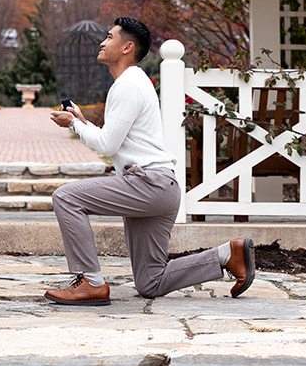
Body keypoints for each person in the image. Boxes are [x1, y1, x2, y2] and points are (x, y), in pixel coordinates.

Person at [45, 16, 253, 305]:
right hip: (160, 187)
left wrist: (72, 124)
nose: (102, 42)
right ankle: (227, 255)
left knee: (66, 197)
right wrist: (81, 122)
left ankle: (91, 282)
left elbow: (107, 144)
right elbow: (113, 138)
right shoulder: (133, 82)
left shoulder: (128, 85)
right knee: (150, 282)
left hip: (147, 183)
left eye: (109, 37)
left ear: (127, 47)